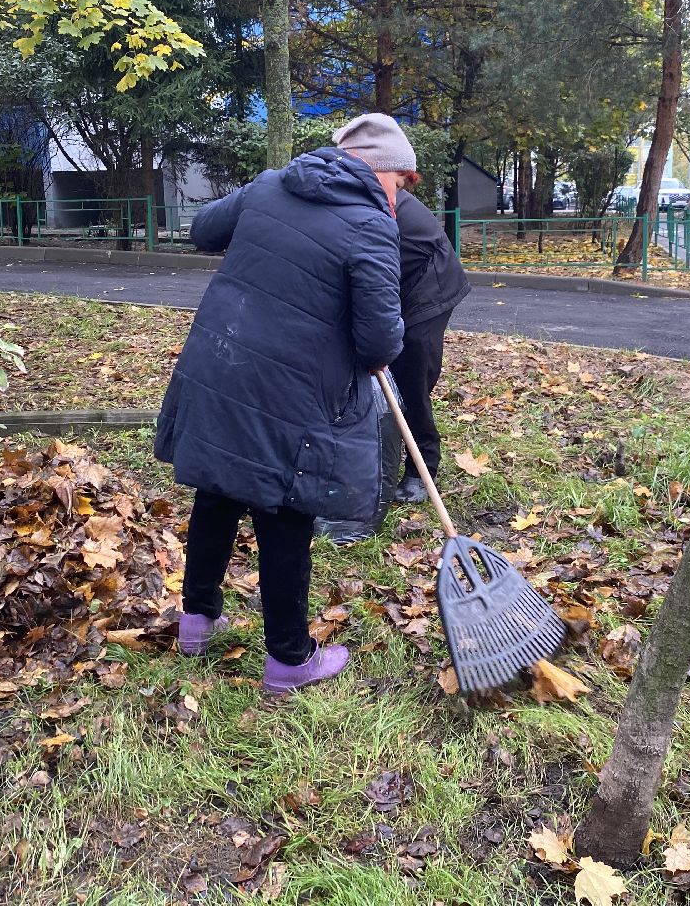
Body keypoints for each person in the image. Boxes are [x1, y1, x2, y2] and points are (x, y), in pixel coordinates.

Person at [154, 112, 411, 693]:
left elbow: (203, 230)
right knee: (287, 511)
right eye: (404, 182)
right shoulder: (370, 224)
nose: (402, 195)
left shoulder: (272, 184)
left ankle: (195, 623)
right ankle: (290, 660)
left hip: (222, 365)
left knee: (218, 492)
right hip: (293, 390)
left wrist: (257, 194)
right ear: (381, 170)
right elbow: (378, 342)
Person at [390, 178, 471, 503]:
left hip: (429, 284)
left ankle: (422, 470)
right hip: (402, 280)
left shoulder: (374, 194)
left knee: (412, 375)